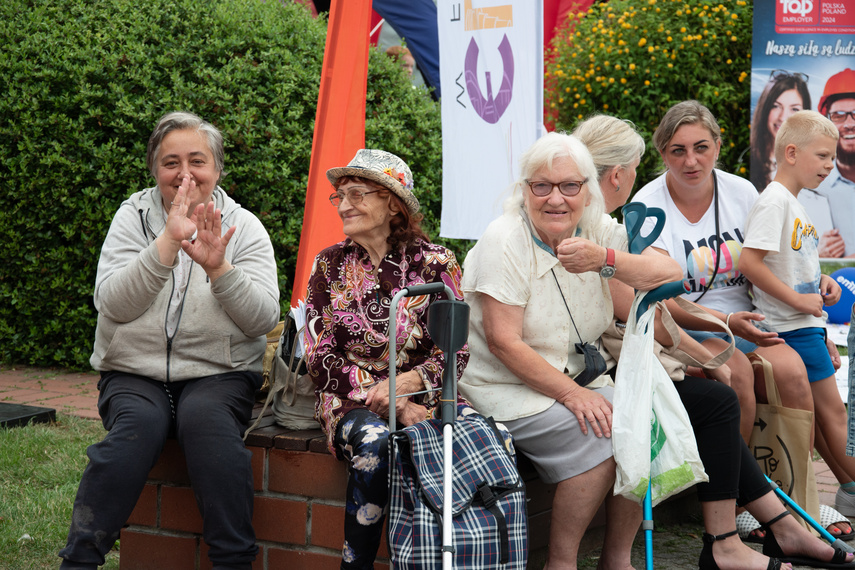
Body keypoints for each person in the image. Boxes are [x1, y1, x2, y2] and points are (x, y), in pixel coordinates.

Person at [577, 112, 855, 570]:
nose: (691, 160)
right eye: (677, 150)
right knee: (735, 378)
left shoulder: (742, 192)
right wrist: (724, 325)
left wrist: (807, 327)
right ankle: (741, 513)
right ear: (659, 155)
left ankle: (795, 496)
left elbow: (777, 263)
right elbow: (659, 297)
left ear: (719, 145)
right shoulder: (645, 205)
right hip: (699, 321)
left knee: (793, 372)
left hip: (750, 316)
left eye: (701, 147)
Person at [59, 112, 280, 570]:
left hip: (219, 375)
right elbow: (112, 304)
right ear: (154, 170)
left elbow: (263, 318)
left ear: (217, 169)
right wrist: (164, 246)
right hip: (132, 372)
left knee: (211, 433)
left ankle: (233, 563)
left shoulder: (245, 227)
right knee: (132, 434)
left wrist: (219, 269)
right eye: (170, 162)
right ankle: (79, 561)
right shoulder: (132, 217)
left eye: (197, 160)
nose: (184, 174)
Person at [458, 131, 683, 569]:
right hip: (506, 386)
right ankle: (560, 563)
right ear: (524, 191)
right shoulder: (505, 238)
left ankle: (617, 559)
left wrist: (606, 258)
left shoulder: (595, 226)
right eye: (541, 186)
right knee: (601, 436)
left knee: (642, 421)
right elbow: (504, 342)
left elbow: (669, 271)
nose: (555, 198)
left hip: (579, 375)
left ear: (588, 190)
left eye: (569, 186)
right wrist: (574, 395)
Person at [304, 149, 469, 570]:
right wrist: (387, 396)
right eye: (339, 196)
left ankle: (460, 556)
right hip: (348, 398)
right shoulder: (329, 265)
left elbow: (455, 349)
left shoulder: (437, 263)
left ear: (393, 203)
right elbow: (319, 353)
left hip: (427, 393)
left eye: (357, 194)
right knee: (377, 442)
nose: (343, 205)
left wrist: (409, 388)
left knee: (482, 435)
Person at [740, 110, 855, 523]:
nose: (830, 165)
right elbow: (750, 263)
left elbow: (788, 264)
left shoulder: (793, 204)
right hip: (791, 331)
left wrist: (822, 284)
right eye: (823, 156)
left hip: (805, 327)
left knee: (825, 420)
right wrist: (799, 302)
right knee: (833, 416)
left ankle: (846, 491)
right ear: (791, 152)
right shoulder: (774, 201)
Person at [804, 68, 855, 258]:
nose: (849, 124)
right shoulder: (812, 188)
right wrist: (817, 253)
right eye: (839, 115)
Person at [751, 70, 811, 192]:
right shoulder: (752, 161)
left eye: (794, 109)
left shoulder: (814, 167)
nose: (783, 117)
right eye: (776, 106)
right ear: (765, 109)